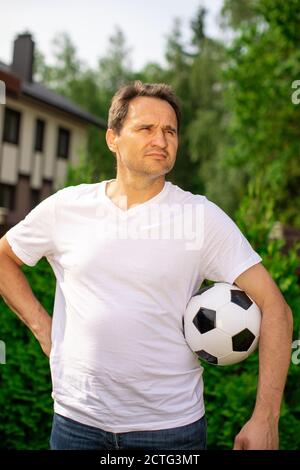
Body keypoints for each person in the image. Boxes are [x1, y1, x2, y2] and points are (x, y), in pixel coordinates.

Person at [0, 81, 293, 451]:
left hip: (170, 430)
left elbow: (275, 308)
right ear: (113, 138)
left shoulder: (199, 218)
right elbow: (4, 257)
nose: (161, 139)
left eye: (170, 130)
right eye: (146, 128)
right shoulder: (67, 207)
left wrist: (265, 418)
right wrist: (46, 330)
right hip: (76, 423)